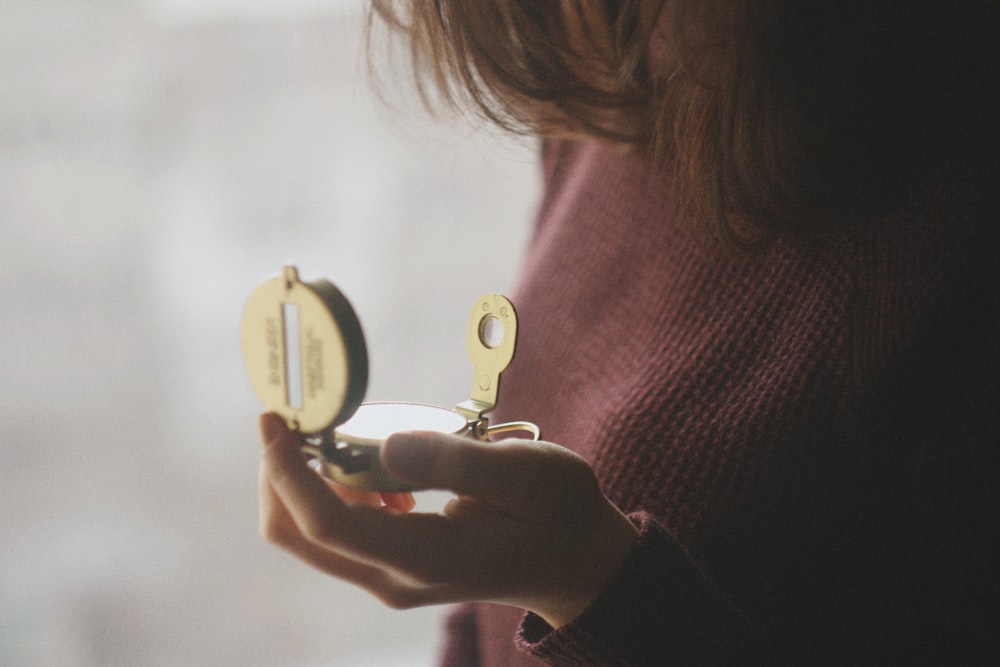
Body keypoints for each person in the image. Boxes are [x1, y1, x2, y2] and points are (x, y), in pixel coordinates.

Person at [257, 2, 999, 664]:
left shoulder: (949, 211)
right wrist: (488, 578)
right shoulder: (612, 47)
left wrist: (591, 586)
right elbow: (496, 621)